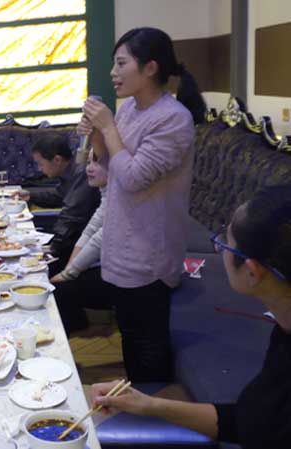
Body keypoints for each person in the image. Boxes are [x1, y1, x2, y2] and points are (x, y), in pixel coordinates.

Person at [91, 186, 291, 449]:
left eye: (224, 244)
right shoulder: (284, 329)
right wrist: (149, 404)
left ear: (252, 272)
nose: (222, 251)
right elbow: (248, 421)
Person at [71, 27, 206, 382]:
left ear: (150, 68)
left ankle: (154, 404)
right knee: (130, 334)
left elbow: (132, 178)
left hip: (150, 252)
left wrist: (108, 127)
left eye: (121, 63)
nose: (113, 73)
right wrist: (97, 135)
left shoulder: (172, 119)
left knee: (148, 346)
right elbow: (109, 168)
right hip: (122, 241)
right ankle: (137, 398)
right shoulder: (130, 108)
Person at [50, 149, 110, 334]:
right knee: (52, 268)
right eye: (88, 162)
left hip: (131, 276)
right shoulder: (106, 194)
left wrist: (68, 273)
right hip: (110, 263)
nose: (89, 169)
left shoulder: (121, 199)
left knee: (58, 289)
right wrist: (69, 268)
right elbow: (90, 231)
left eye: (97, 163)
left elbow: (99, 239)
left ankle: (72, 332)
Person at [20, 134, 100, 273]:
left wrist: (52, 248)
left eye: (41, 164)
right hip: (74, 239)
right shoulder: (71, 170)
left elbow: (72, 216)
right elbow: (59, 195)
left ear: (57, 160)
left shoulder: (81, 173)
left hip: (81, 245)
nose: (39, 169)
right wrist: (30, 195)